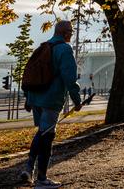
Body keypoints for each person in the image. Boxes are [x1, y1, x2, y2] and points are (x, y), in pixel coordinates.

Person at [20, 21, 82, 188]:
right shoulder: (64, 50)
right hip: (50, 99)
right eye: (70, 31)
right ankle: (41, 179)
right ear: (64, 32)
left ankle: (28, 168)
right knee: (47, 137)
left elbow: (31, 74)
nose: (72, 34)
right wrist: (77, 101)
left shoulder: (43, 47)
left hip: (35, 98)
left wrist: (28, 98)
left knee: (41, 133)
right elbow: (70, 78)